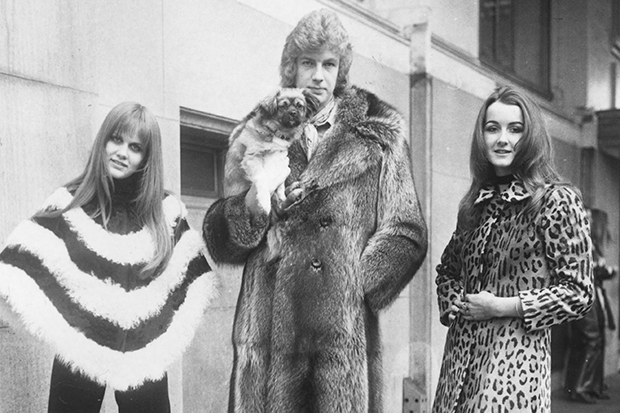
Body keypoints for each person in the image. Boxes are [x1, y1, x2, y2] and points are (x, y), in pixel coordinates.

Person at [203, 9, 427, 413]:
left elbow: (406, 230)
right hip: (271, 338)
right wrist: (252, 208)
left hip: (341, 343)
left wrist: (354, 283)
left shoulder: (379, 134)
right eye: (309, 63)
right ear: (293, 67)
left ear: (341, 70)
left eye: (329, 64)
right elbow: (223, 237)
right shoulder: (258, 130)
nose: (319, 76)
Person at [0, 102, 217, 413]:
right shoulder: (71, 203)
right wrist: (61, 319)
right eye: (116, 139)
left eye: (135, 147)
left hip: (145, 349)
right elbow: (20, 262)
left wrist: (158, 326)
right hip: (81, 344)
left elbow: (193, 278)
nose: (122, 153)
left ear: (147, 157)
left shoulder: (164, 211)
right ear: (103, 141)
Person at [432, 86, 593, 413]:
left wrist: (501, 306)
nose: (502, 139)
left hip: (513, 373)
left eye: (515, 129)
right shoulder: (474, 205)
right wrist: (454, 303)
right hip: (458, 369)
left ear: (530, 136)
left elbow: (579, 292)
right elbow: (447, 272)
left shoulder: (554, 200)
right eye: (493, 128)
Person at [564, 208, 617, 404]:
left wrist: (604, 270)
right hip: (581, 294)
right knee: (590, 340)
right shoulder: (575, 241)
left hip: (591, 293)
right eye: (585, 218)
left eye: (589, 219)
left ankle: (592, 386)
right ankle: (580, 388)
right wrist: (605, 270)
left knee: (593, 340)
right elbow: (580, 270)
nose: (589, 222)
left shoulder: (588, 242)